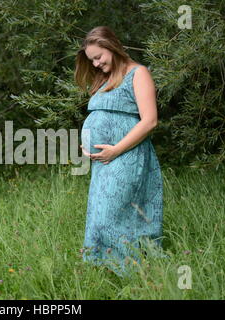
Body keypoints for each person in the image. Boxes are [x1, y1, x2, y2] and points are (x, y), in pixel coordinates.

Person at [74, 26, 163, 277]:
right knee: (98, 215)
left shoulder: (138, 73)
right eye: (91, 60)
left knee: (109, 216)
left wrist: (115, 150)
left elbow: (150, 121)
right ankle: (105, 268)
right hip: (104, 161)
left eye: (98, 56)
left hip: (127, 156)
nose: (96, 63)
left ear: (111, 46)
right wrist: (87, 142)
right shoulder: (104, 80)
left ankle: (133, 270)